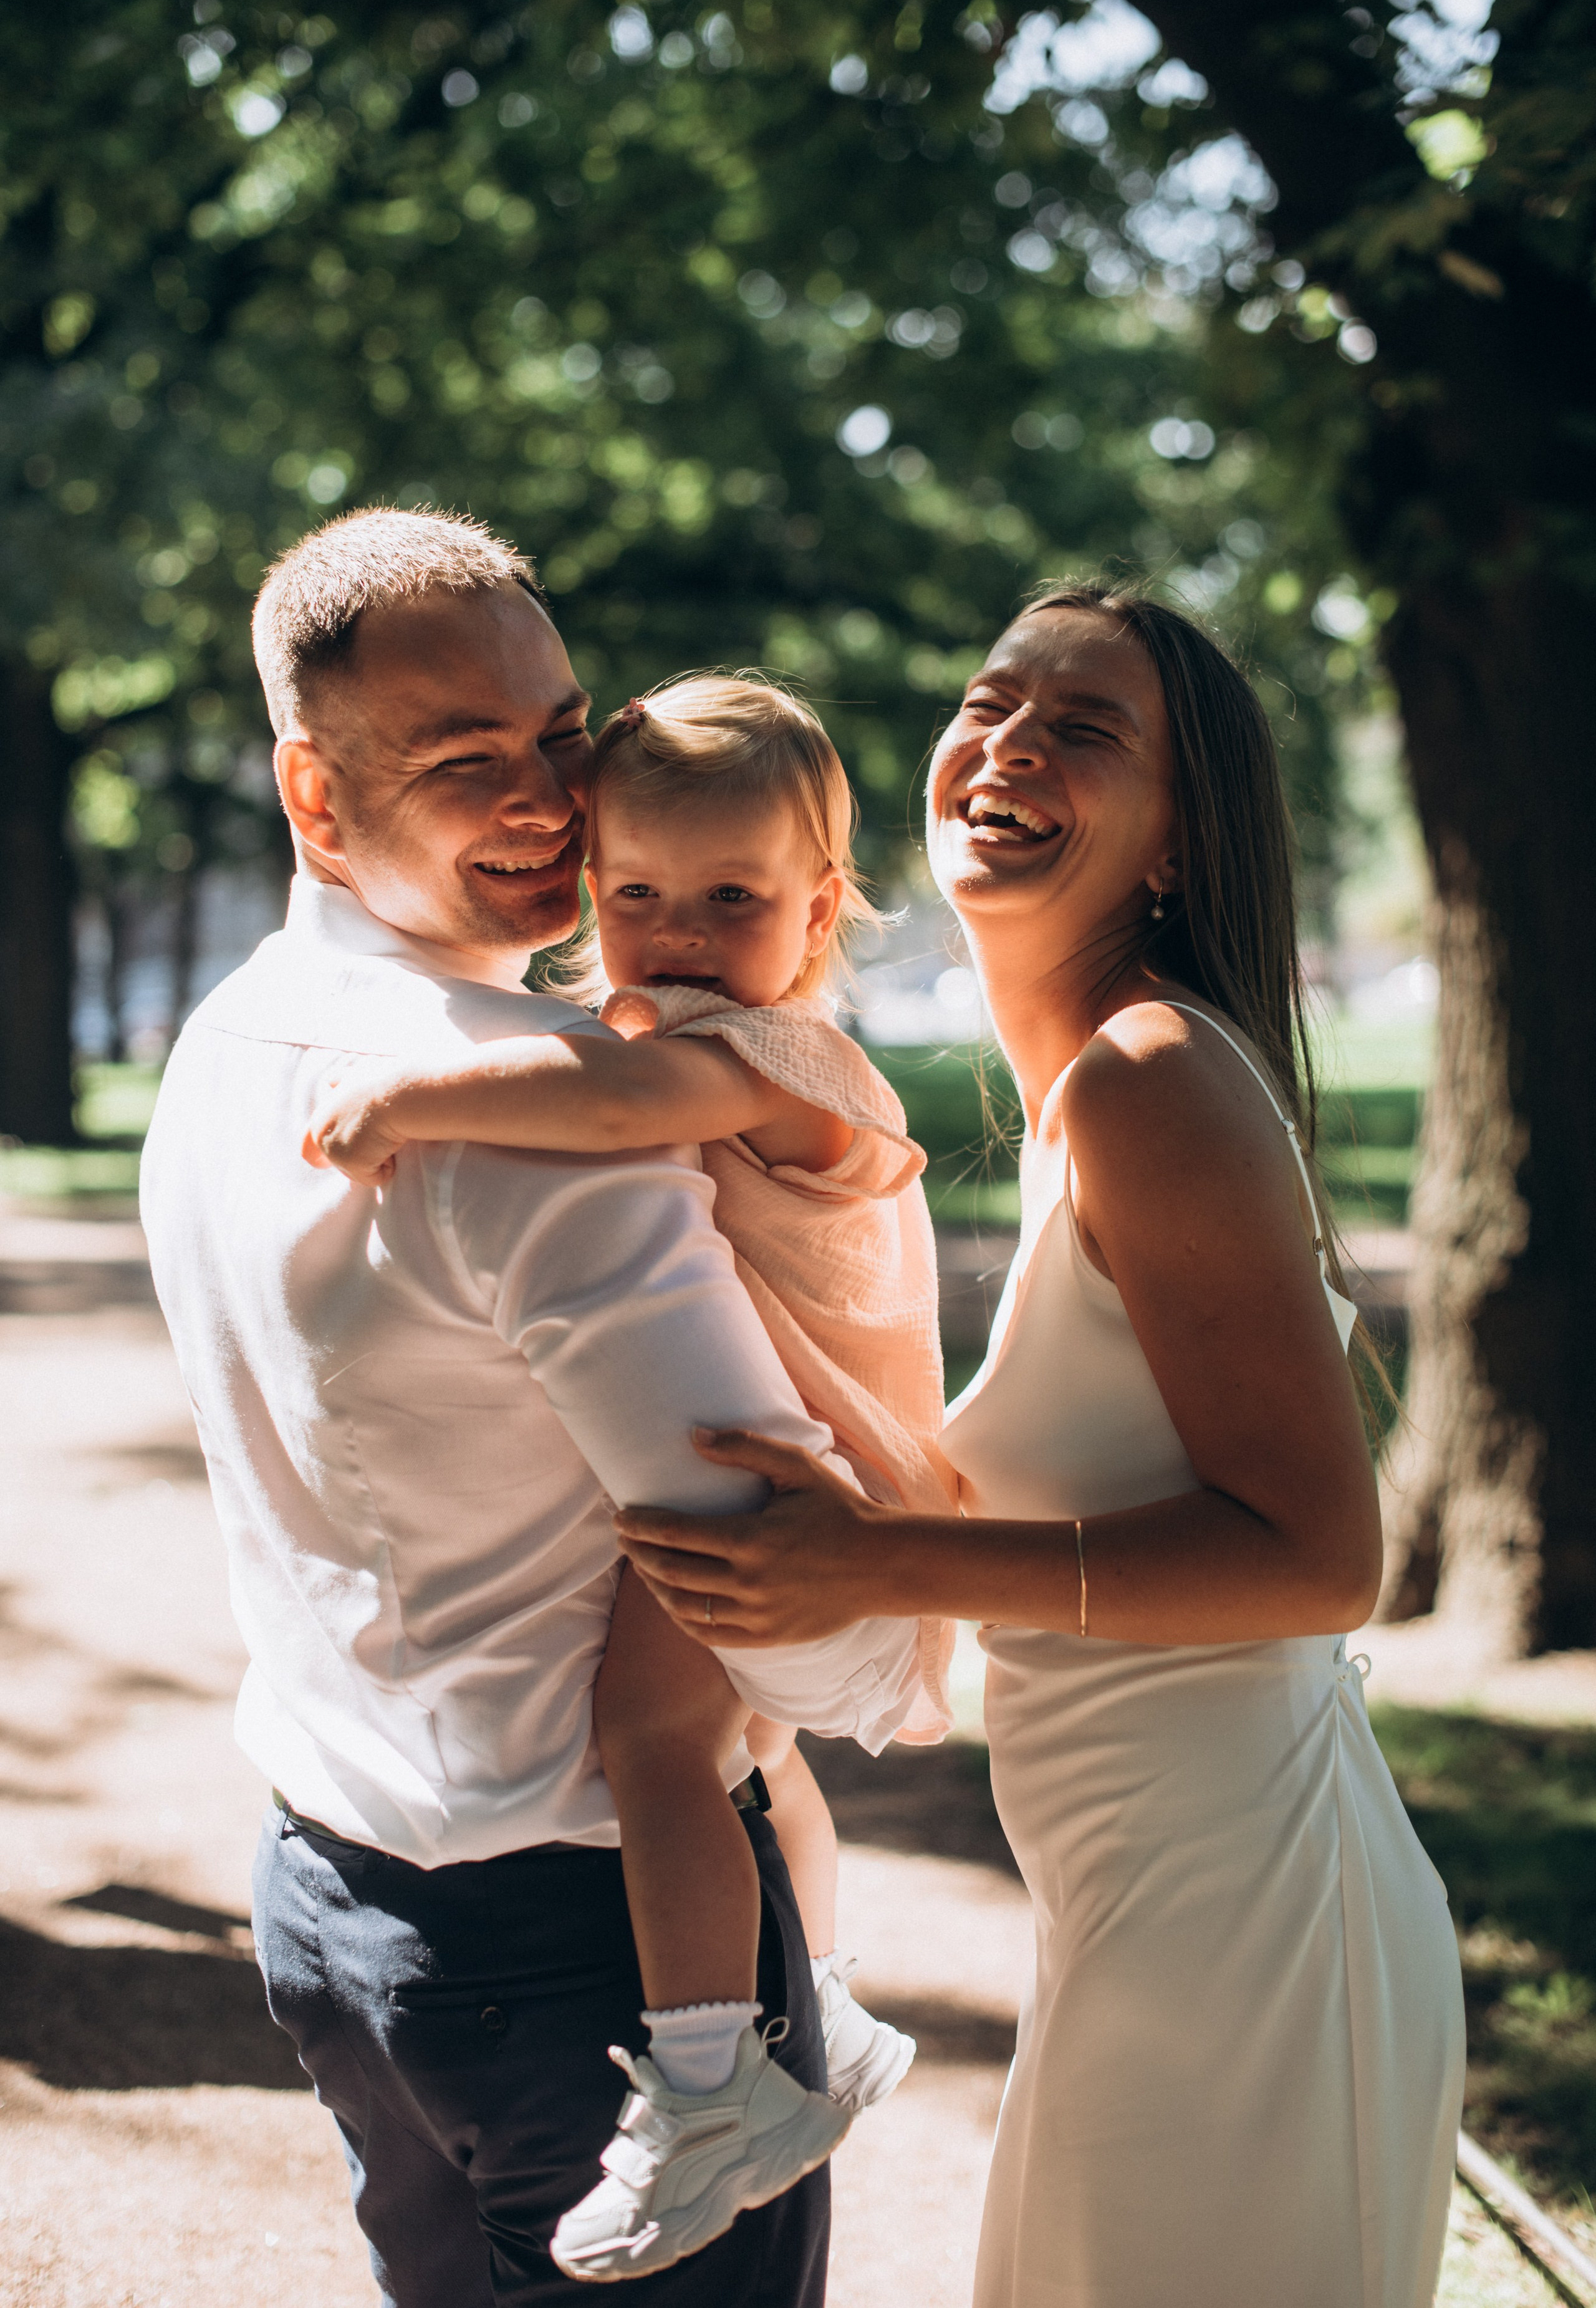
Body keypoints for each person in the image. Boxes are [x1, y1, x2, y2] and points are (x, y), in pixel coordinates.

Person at [611, 584, 1469, 2308]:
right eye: (995, 702)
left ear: (1173, 841)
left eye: (1084, 730)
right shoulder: (1095, 1079)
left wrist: (876, 1558)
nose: (1007, 744)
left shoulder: (1154, 1075)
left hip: (1248, 1922)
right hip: (1144, 1904)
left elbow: (1320, 1556)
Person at [138, 506, 926, 2308]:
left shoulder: (220, 1045)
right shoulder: (540, 1105)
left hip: (329, 1901)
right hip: (588, 1958)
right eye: (466, 759)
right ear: (316, 796)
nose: (555, 802)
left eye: (565, 734)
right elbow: (772, 1585)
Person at [304, 676, 955, 2278]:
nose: (672, 931)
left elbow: (614, 1102)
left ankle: (710, 2083)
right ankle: (829, 2002)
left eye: (731, 898)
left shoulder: (775, 1053)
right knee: (759, 1763)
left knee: (656, 1738)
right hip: (816, 1464)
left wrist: (409, 1096)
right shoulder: (701, 1019)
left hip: (820, 1491)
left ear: (816, 917)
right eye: (636, 891)